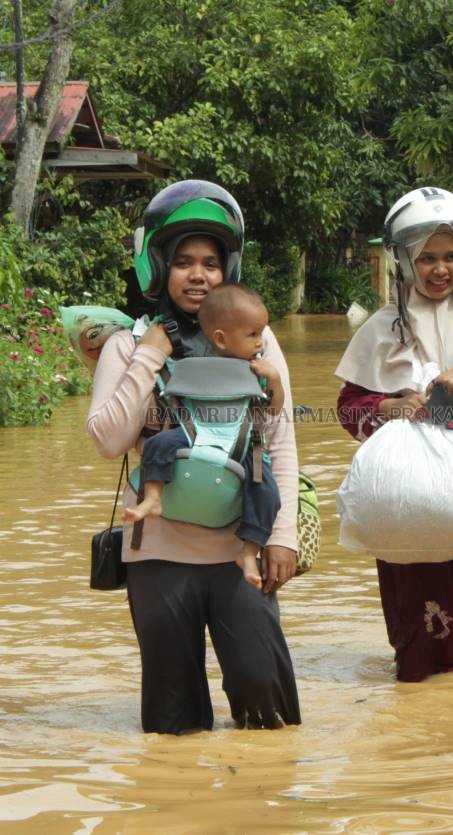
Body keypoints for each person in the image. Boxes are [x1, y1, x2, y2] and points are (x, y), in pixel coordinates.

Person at [88, 180, 301, 733]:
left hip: (241, 551)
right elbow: (107, 440)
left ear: (228, 268)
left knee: (267, 705)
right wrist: (147, 359)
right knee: (172, 723)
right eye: (183, 262)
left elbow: (278, 441)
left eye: (210, 262)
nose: (199, 275)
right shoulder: (127, 344)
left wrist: (282, 536)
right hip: (157, 554)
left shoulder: (258, 343)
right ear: (158, 266)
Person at [336, 186, 453, 682]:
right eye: (427, 258)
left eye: (450, 256)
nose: (440, 269)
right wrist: (391, 406)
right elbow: (347, 409)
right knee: (420, 628)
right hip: (410, 499)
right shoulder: (382, 328)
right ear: (404, 260)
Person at [122, 283, 284, 589]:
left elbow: (274, 411)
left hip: (241, 442)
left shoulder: (260, 369)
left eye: (261, 333)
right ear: (221, 338)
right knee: (157, 444)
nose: (260, 341)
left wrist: (273, 378)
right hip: (192, 432)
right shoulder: (188, 365)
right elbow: (170, 402)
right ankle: (153, 498)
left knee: (268, 491)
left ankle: (249, 551)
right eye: (252, 334)